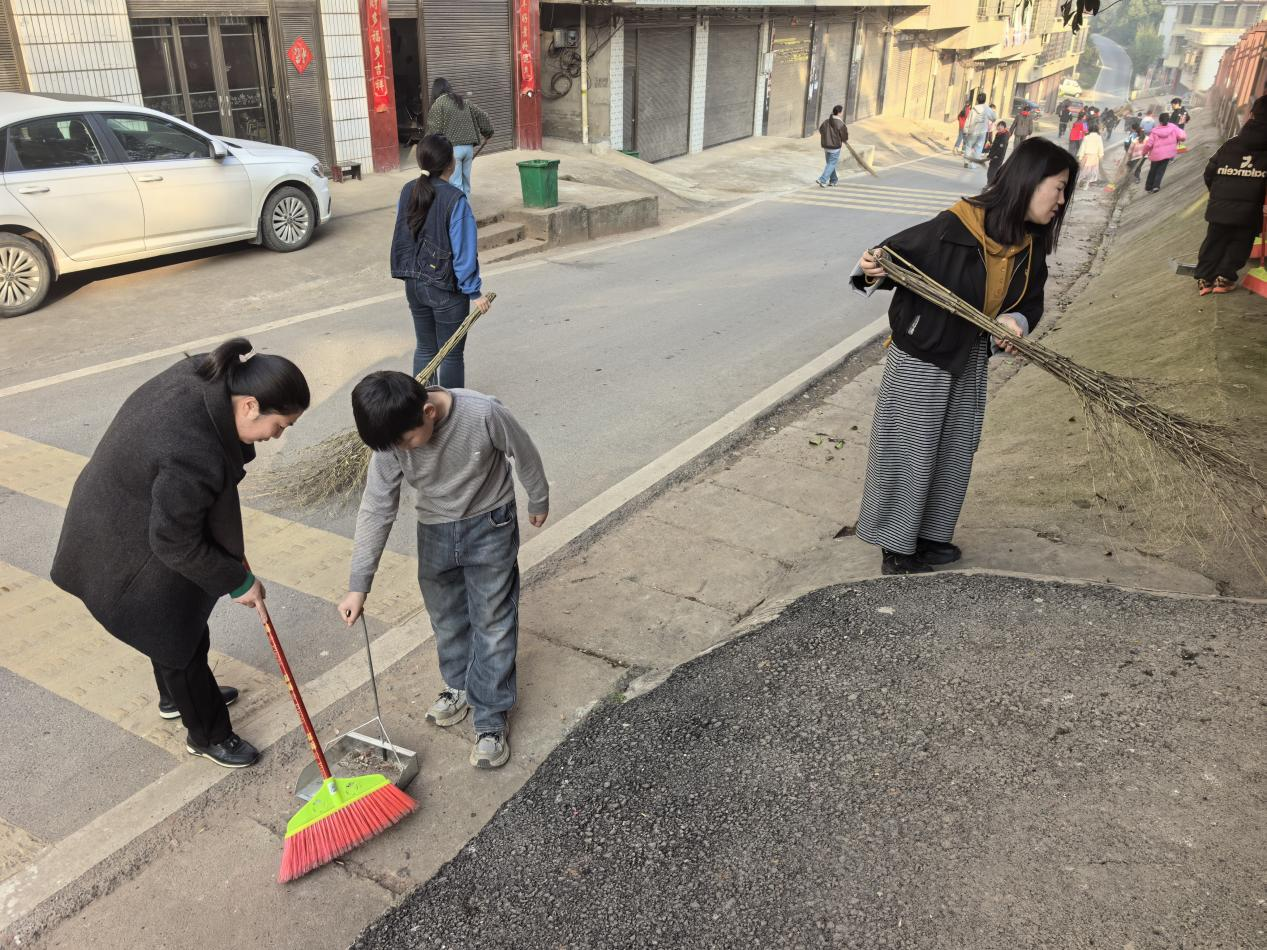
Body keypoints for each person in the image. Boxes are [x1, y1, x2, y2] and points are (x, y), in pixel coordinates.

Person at [51, 339, 310, 768]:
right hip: (121, 540)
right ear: (249, 406)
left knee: (174, 621)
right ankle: (208, 734)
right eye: (280, 425)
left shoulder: (206, 378)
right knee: (177, 637)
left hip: (124, 509)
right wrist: (237, 582)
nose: (276, 436)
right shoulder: (193, 451)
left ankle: (174, 698)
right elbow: (173, 541)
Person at [849, 138, 1077, 574]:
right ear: (1030, 182)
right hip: (923, 356)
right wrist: (870, 267)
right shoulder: (954, 226)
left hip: (970, 357)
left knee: (955, 448)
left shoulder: (1029, 246)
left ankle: (931, 536)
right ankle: (896, 548)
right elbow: (887, 259)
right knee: (910, 450)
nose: (1061, 202)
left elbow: (1032, 302)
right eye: (1059, 188)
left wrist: (1017, 322)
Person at [338, 372, 550, 770]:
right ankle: (460, 685)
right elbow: (377, 505)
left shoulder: (483, 412)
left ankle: (490, 719)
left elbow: (524, 452)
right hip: (434, 531)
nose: (403, 452)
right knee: (447, 619)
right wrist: (358, 586)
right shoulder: (391, 437)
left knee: (493, 620)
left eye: (406, 443)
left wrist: (538, 498)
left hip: (490, 524)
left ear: (429, 412)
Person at [392, 134, 491, 384]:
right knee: (450, 354)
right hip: (445, 288)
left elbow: (405, 233)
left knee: (425, 348)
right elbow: (463, 249)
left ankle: (420, 408)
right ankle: (450, 413)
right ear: (451, 163)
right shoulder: (455, 199)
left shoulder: (408, 190)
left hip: (413, 283)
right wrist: (474, 291)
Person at [1196, 95, 1267, 295]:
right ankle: (1224, 279)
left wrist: (1218, 195)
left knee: (1214, 240)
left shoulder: (1231, 144)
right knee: (1240, 242)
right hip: (1250, 210)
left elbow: (1210, 172)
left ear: (1252, 115)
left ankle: (1204, 280)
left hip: (1220, 206)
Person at [425, 78, 493, 197]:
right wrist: (488, 132)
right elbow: (483, 116)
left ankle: (459, 213)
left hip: (452, 151)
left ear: (435, 91)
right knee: (466, 183)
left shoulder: (438, 105)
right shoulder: (463, 101)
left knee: (456, 184)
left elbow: (434, 131)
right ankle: (466, 211)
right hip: (468, 150)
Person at [1143, 112, 1187, 193]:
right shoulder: (1174, 128)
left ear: (1159, 121)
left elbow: (1149, 144)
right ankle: (1156, 186)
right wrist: (1181, 139)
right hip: (1168, 154)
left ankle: (1149, 187)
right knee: (1161, 171)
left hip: (1156, 155)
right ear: (1168, 120)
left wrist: (1144, 152)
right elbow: (1182, 136)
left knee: (1153, 170)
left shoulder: (1155, 131)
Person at [817, 104, 848, 187]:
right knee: (831, 164)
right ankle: (822, 179)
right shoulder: (840, 123)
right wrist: (843, 140)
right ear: (839, 113)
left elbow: (821, 130)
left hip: (826, 146)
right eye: (842, 112)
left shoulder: (826, 121)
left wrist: (826, 138)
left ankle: (833, 180)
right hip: (835, 147)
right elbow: (844, 136)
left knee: (830, 164)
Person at [963, 93, 995, 167]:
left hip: (972, 130)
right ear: (985, 100)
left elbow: (968, 120)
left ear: (977, 100)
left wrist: (965, 130)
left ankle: (966, 162)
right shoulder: (988, 109)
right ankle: (973, 164)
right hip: (982, 131)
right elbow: (994, 117)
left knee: (969, 146)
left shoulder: (973, 109)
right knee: (978, 147)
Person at [1078, 121, 1105, 188]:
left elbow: (1082, 147)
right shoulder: (1099, 137)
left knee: (1084, 170)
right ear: (1097, 129)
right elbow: (1100, 147)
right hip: (1095, 157)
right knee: (1092, 172)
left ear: (1089, 129)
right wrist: (1101, 155)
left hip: (1086, 156)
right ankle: (1086, 185)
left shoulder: (1086, 137)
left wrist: (1080, 157)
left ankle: (1080, 182)